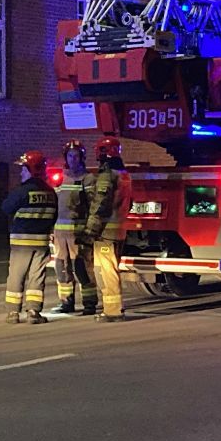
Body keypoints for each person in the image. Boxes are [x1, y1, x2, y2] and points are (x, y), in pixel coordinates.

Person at [1, 150, 58, 324]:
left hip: (21, 243)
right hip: (41, 243)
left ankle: (13, 312)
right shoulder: (51, 192)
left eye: (23, 169)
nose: (21, 173)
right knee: (37, 276)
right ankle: (33, 311)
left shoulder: (22, 192)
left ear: (31, 170)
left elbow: (6, 208)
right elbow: (54, 216)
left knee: (16, 276)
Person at [84, 136, 132, 322]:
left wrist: (90, 229)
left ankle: (113, 310)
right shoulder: (124, 174)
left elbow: (100, 203)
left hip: (106, 232)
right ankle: (113, 308)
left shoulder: (107, 175)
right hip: (120, 229)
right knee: (112, 268)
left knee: (106, 271)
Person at [52, 139, 99, 315]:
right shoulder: (59, 180)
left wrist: (90, 231)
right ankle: (66, 302)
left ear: (82, 158)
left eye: (76, 156)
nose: (73, 159)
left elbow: (93, 206)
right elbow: (53, 205)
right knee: (61, 267)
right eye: (70, 156)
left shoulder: (87, 179)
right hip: (59, 233)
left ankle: (89, 303)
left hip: (78, 233)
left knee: (82, 267)